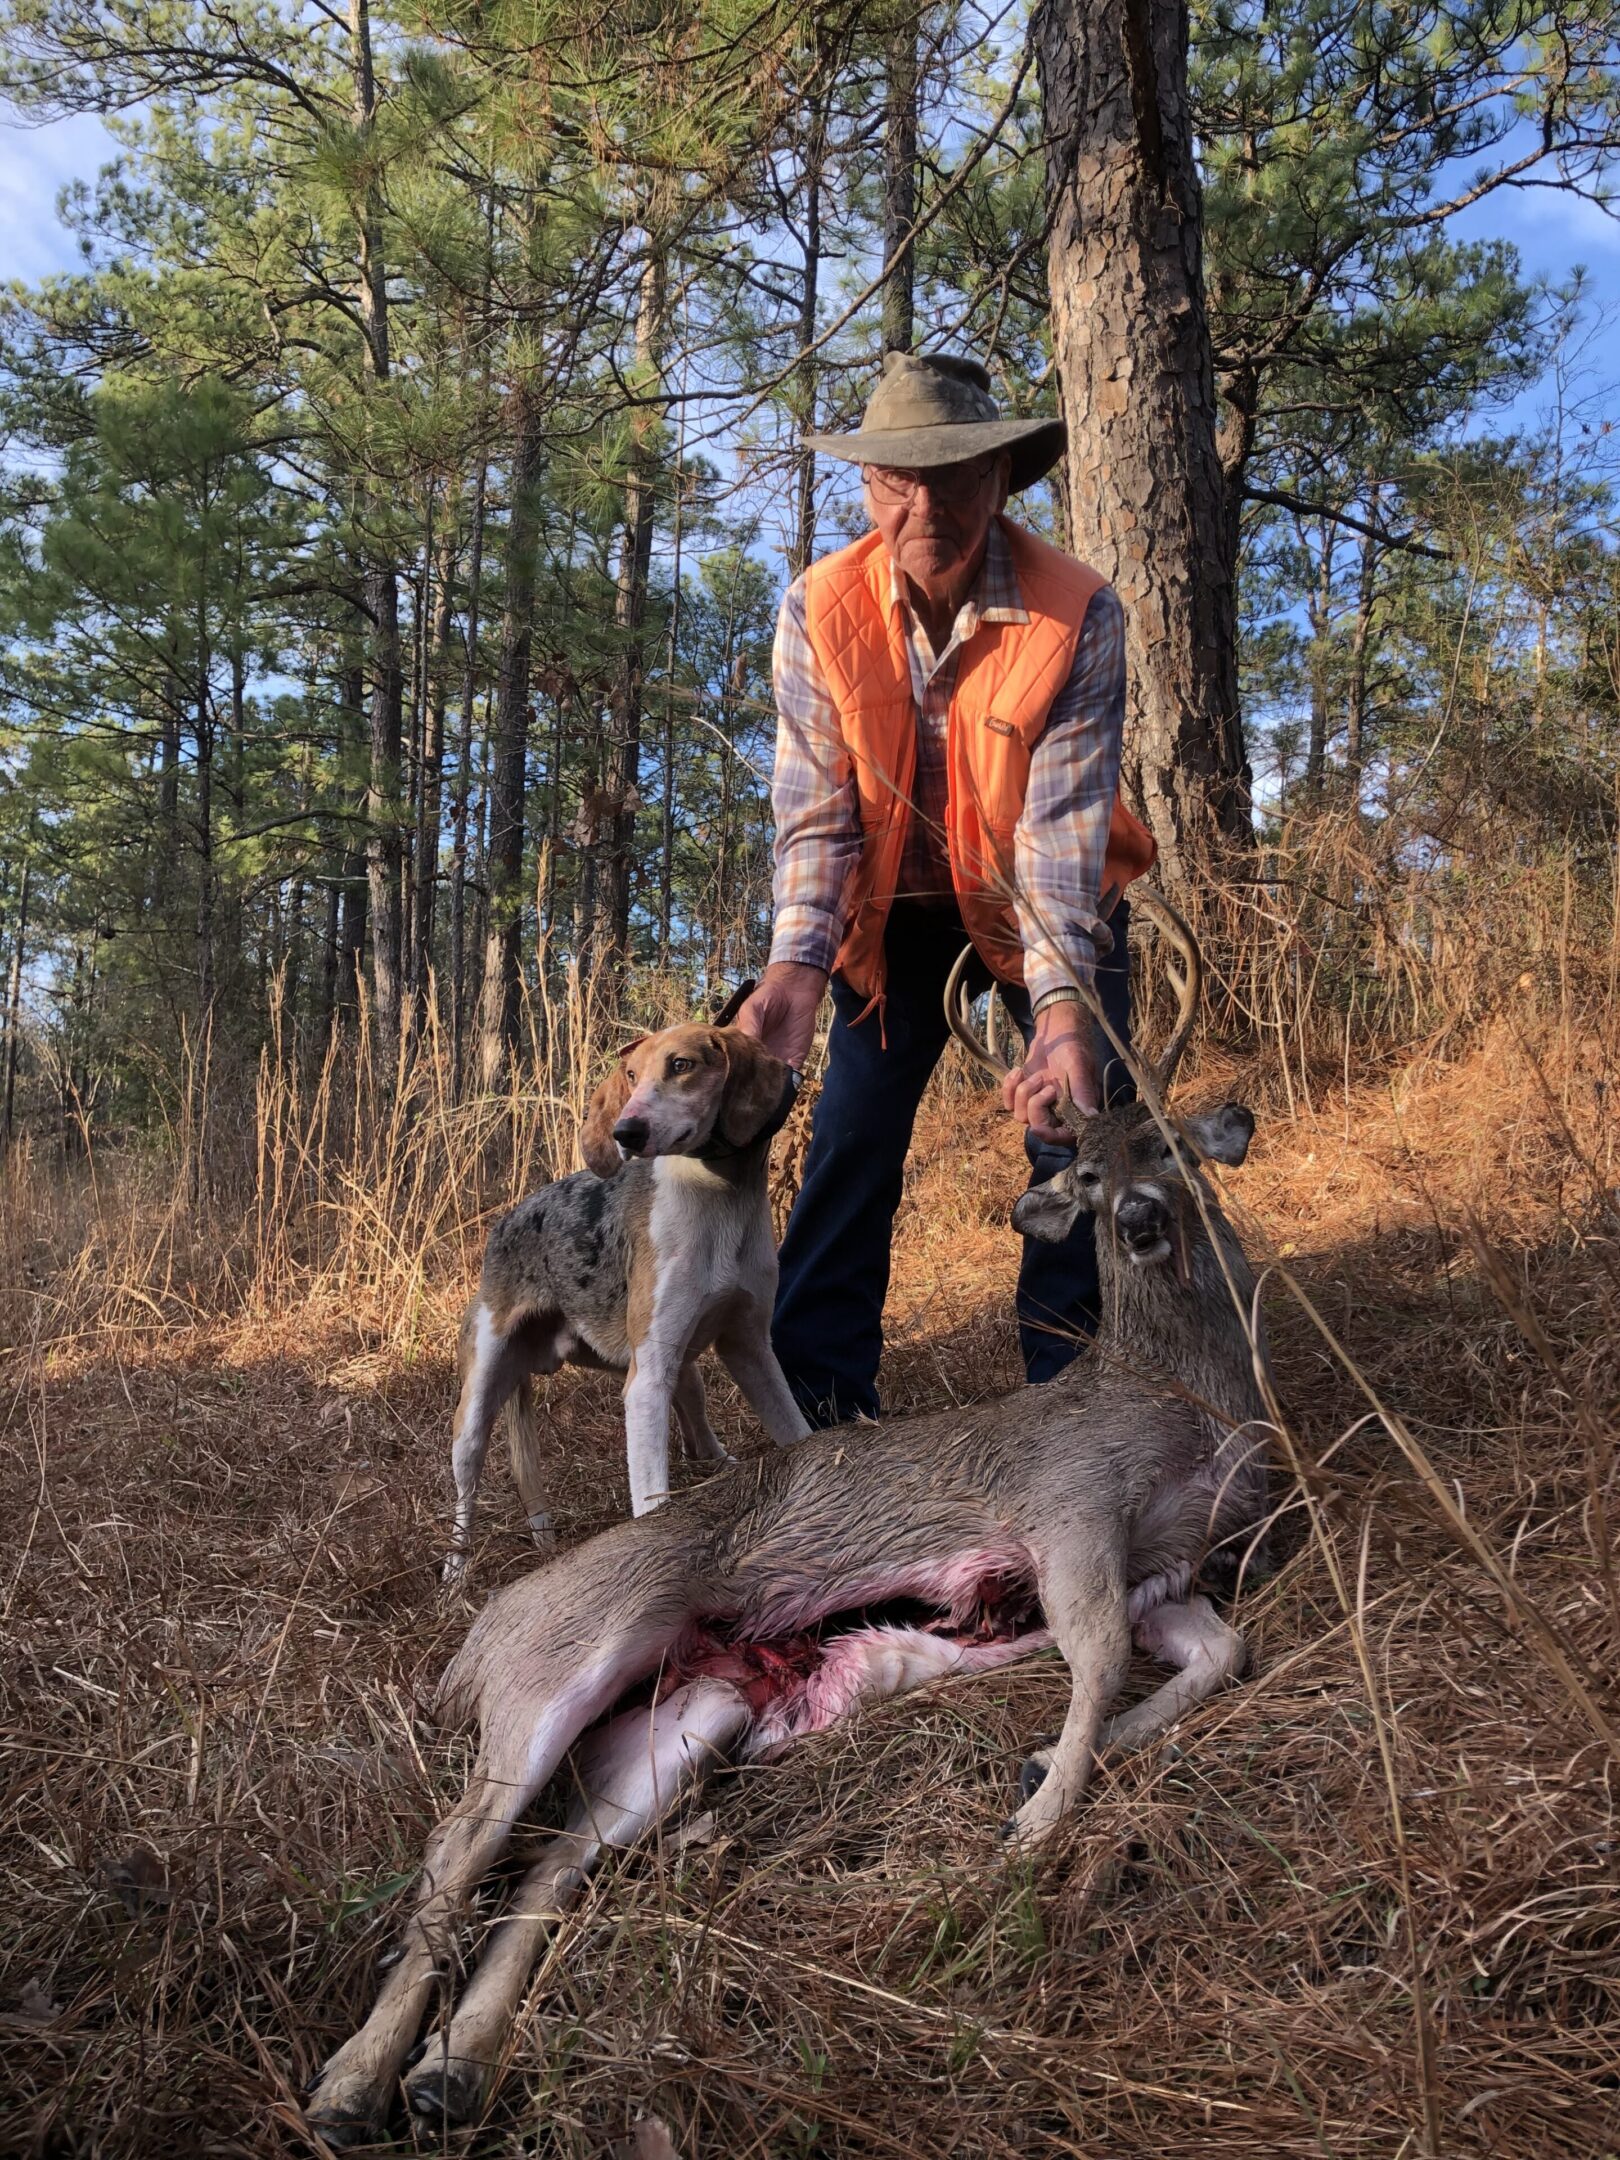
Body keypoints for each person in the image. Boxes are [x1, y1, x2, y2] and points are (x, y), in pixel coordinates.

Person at [736, 350, 1155, 1427]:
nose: (922, 505)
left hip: (1042, 908)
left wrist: (1061, 1013)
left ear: (1002, 478)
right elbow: (818, 815)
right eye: (894, 480)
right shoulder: (817, 610)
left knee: (1075, 1125)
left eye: (955, 476)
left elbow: (1058, 840)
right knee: (852, 1131)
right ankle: (819, 1419)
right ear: (866, 486)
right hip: (896, 921)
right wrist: (796, 963)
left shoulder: (1079, 614)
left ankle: (1080, 1406)